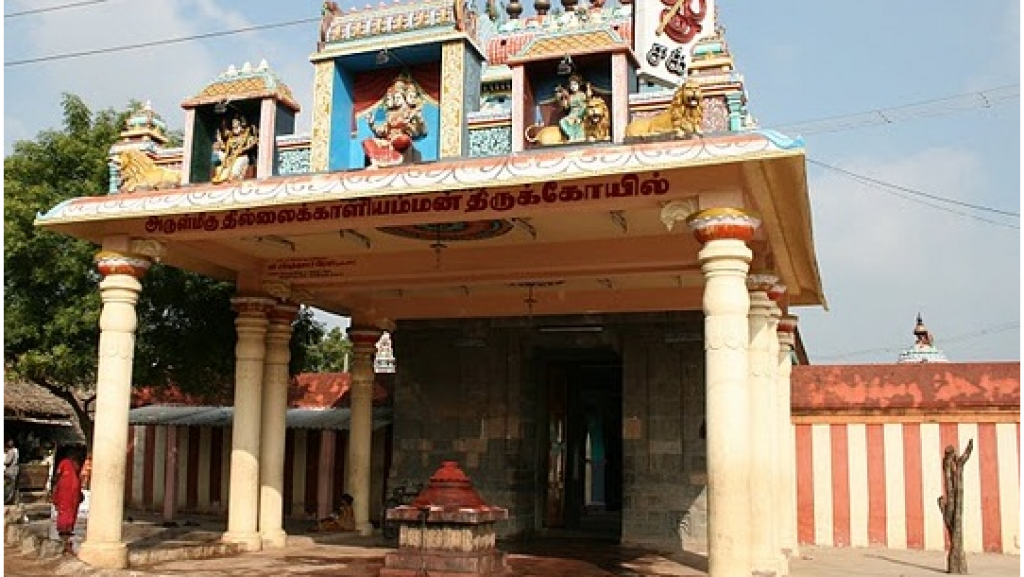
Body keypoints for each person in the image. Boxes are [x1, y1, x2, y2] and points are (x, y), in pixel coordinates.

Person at [362, 78, 427, 168]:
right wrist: (371, 124)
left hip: (400, 140)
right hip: (387, 141)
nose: (395, 100)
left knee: (402, 139)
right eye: (394, 98)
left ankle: (392, 157)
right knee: (367, 142)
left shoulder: (411, 113)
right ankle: (377, 161)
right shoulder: (390, 115)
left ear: (404, 97)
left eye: (398, 97)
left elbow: (420, 132)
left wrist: (418, 120)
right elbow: (381, 132)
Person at [51, 446, 84, 554]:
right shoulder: (65, 463)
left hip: (72, 492)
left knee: (70, 511)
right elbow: (58, 475)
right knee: (65, 510)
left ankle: (67, 530)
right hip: (65, 491)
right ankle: (63, 530)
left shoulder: (75, 464)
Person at [212, 115, 258, 184]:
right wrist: (218, 148)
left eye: (235, 121)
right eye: (233, 122)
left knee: (234, 172)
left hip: (241, 156)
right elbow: (224, 146)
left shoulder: (246, 134)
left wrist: (242, 149)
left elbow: (252, 143)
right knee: (218, 157)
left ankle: (230, 178)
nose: (233, 123)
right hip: (230, 157)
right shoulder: (230, 135)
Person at [555, 74, 589, 142]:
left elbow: (584, 106)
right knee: (562, 121)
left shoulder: (581, 94)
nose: (573, 86)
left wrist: (580, 116)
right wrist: (563, 98)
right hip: (571, 115)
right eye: (571, 85)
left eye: (575, 84)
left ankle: (579, 137)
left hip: (580, 113)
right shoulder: (570, 96)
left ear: (579, 85)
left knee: (577, 122)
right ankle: (571, 135)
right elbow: (566, 107)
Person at [4, 440, 19, 504]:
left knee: (9, 487)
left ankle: (7, 500)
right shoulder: (16, 451)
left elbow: (8, 461)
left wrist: (3, 461)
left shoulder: (11, 451)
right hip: (15, 470)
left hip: (10, 471)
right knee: (12, 486)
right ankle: (11, 500)